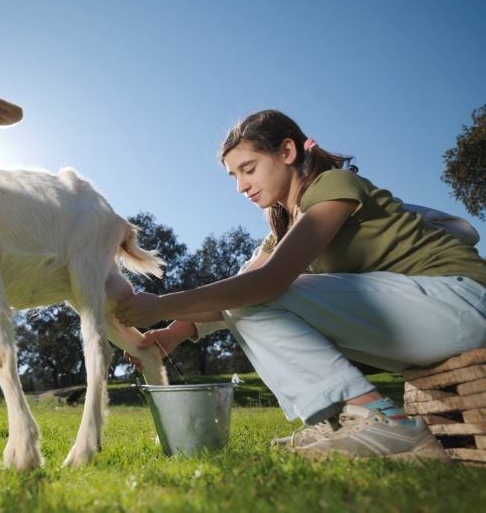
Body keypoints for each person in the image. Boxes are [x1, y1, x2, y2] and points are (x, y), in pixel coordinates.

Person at [116, 109, 486, 461]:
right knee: (247, 292)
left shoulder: (334, 186)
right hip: (421, 323)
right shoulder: (285, 229)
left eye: (249, 169)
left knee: (260, 290)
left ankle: (378, 418)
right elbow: (242, 292)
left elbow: (268, 284)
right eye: (234, 177)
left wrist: (162, 304)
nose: (242, 186)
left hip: (463, 303)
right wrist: (173, 333)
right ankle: (347, 419)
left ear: (287, 151)